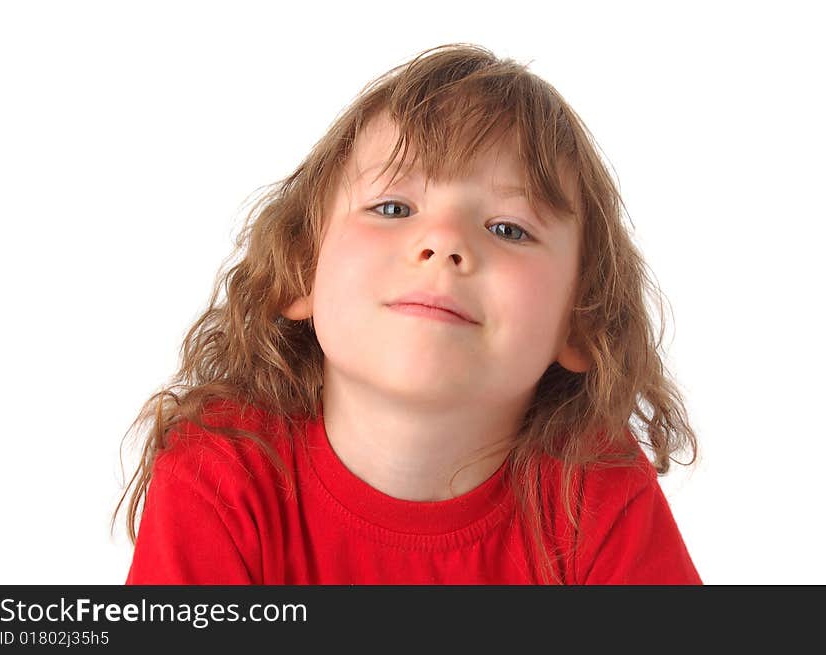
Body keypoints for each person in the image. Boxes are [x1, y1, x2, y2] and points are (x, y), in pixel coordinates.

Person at [116, 43, 701, 585]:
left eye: (508, 228)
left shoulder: (593, 494)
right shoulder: (223, 471)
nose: (443, 242)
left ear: (580, 320)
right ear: (301, 271)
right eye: (393, 207)